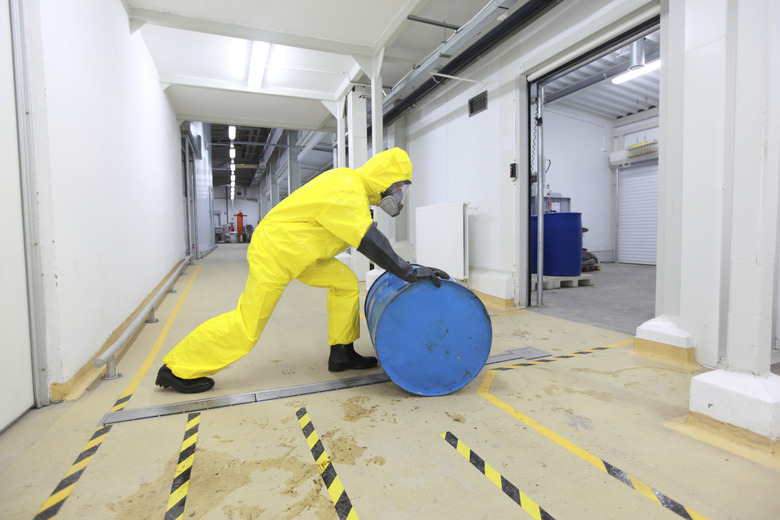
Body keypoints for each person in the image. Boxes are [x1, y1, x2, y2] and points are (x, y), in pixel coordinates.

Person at [155, 148, 449, 393]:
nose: (398, 195)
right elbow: (369, 241)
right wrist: (410, 272)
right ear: (386, 179)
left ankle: (341, 351)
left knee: (345, 282)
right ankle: (178, 368)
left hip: (303, 256)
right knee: (248, 324)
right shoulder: (347, 187)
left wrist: (409, 268)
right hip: (276, 253)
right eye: (398, 188)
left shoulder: (356, 193)